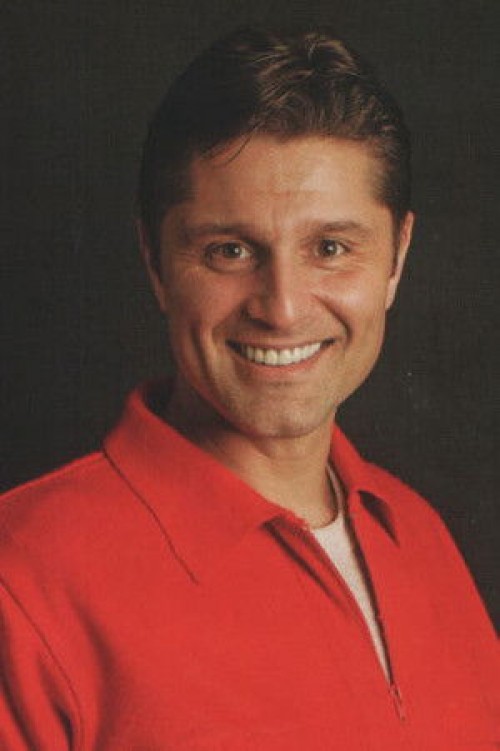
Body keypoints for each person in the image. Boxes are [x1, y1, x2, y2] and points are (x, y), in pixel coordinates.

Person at [0, 25, 498, 751]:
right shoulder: (22, 579)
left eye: (331, 248)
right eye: (229, 250)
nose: (283, 307)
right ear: (155, 262)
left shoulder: (423, 540)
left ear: (396, 259)